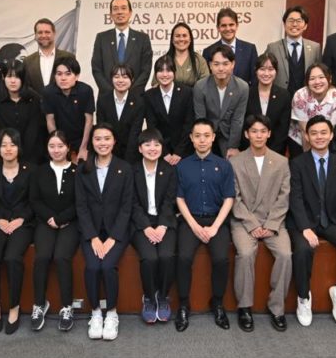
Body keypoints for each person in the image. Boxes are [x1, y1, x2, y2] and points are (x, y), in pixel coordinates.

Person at [288, 115, 336, 327]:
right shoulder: (297, 163)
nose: (319, 137)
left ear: (331, 136)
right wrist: (305, 228)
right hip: (304, 222)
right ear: (306, 136)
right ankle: (303, 297)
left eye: (323, 132)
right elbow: (295, 199)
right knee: (303, 249)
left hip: (331, 222)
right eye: (314, 133)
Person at [230, 115, 293, 332]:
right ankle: (244, 307)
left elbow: (284, 197)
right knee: (246, 253)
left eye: (263, 131)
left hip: (274, 221)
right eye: (254, 131)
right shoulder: (235, 162)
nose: (258, 135)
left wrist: (271, 224)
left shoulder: (281, 161)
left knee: (285, 254)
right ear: (246, 134)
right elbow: (234, 198)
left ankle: (277, 307)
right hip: (244, 221)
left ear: (269, 134)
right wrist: (252, 224)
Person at [174, 118, 236, 331]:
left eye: (206, 136)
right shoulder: (182, 166)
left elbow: (229, 198)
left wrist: (215, 227)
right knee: (183, 258)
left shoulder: (224, 165)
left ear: (213, 138)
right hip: (190, 220)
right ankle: (183, 304)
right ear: (191, 138)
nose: (202, 140)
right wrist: (193, 225)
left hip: (216, 220)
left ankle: (217, 303)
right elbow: (179, 198)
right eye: (198, 136)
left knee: (221, 259)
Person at [76, 123, 134, 341]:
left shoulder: (124, 168)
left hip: (116, 230)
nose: (102, 143)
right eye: (98, 139)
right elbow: (81, 206)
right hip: (90, 230)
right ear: (91, 142)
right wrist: (92, 237)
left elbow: (127, 207)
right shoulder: (83, 169)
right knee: (92, 267)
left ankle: (111, 312)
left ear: (114, 141)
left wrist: (112, 238)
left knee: (108, 266)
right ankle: (95, 312)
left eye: (107, 138)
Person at [0, 129, 35, 335]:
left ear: (18, 147)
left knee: (13, 258)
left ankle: (14, 306)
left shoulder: (31, 170)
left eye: (12, 144)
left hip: (23, 224)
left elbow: (35, 201)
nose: (8, 149)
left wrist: (21, 219)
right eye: (4, 145)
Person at [28, 131, 81, 332]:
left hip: (71, 223)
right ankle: (39, 304)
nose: (56, 150)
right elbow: (34, 200)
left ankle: (67, 307)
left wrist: (61, 219)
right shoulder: (39, 171)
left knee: (61, 257)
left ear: (68, 148)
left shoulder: (78, 171)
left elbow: (81, 201)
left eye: (60, 146)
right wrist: (50, 218)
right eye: (52, 146)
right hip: (45, 222)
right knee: (42, 257)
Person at [130, 128, 178, 324]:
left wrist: (162, 226)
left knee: (166, 256)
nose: (152, 148)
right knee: (149, 258)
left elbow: (170, 201)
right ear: (140, 148)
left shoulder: (170, 170)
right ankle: (149, 297)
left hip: (164, 222)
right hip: (141, 223)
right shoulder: (131, 170)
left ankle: (163, 296)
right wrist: (146, 227)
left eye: (157, 144)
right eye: (147, 144)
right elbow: (132, 203)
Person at [193, 44, 249, 159]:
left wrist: (233, 146)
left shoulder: (242, 87)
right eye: (216, 64)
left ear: (233, 64)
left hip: (228, 135)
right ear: (210, 65)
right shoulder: (200, 86)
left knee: (232, 163)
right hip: (206, 135)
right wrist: (203, 143)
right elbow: (200, 119)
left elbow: (237, 120)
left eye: (225, 64)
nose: (221, 68)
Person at [92, 0, 153, 92]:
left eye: (123, 8)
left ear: (130, 12)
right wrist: (112, 92)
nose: (119, 12)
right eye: (115, 9)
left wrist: (131, 92)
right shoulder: (102, 38)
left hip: (135, 96)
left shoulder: (142, 39)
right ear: (111, 14)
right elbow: (97, 69)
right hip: (108, 96)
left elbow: (146, 70)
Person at [41, 56, 95, 161]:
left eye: (68, 74)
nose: (63, 78)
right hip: (60, 139)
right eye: (59, 74)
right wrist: (58, 146)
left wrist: (83, 147)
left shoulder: (85, 91)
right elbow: (50, 121)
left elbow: (89, 121)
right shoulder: (48, 92)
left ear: (77, 76)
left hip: (82, 139)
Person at [143, 56, 194, 165]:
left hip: (184, 151)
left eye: (169, 70)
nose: (165, 74)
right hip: (160, 152)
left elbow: (189, 124)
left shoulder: (187, 92)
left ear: (174, 72)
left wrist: (179, 152)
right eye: (160, 71)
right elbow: (152, 126)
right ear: (155, 73)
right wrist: (164, 152)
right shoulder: (149, 95)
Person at [0, 59, 43, 164]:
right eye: (9, 76)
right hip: (8, 150)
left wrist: (24, 158)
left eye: (17, 77)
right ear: (3, 77)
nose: (13, 81)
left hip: (32, 151)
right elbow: (3, 128)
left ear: (23, 78)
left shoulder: (34, 98)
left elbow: (33, 131)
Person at [289, 63, 336, 158]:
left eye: (321, 77)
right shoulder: (300, 95)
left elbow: (330, 128)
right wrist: (309, 160)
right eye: (312, 79)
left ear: (329, 79)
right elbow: (304, 130)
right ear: (307, 82)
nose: (317, 82)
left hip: (324, 138)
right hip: (300, 139)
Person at [263, 5, 321, 92]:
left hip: (307, 95)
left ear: (305, 26)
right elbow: (263, 70)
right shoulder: (273, 47)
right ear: (284, 24)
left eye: (299, 21)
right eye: (291, 21)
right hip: (280, 95)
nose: (294, 24)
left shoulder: (315, 48)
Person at [242, 53, 291, 155]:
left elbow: (283, 129)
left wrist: (271, 153)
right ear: (256, 71)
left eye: (270, 69)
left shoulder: (284, 95)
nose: (266, 73)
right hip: (249, 150)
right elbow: (242, 124)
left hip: (276, 152)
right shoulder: (247, 93)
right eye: (262, 69)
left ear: (276, 71)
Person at [96, 63, 145, 163]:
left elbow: (135, 133)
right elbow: (102, 128)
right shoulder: (103, 100)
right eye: (116, 76)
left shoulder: (139, 102)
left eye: (125, 77)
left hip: (131, 154)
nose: (120, 80)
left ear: (132, 79)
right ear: (111, 79)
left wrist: (127, 162)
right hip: (107, 152)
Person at [202, 7, 258, 84]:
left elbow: (255, 80)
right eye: (223, 25)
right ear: (218, 28)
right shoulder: (208, 51)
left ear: (237, 26)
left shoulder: (249, 49)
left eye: (231, 25)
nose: (228, 29)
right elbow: (206, 82)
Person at [22, 18, 75, 97]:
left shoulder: (68, 57)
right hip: (36, 105)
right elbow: (26, 88)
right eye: (40, 32)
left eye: (47, 32)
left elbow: (73, 86)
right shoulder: (27, 61)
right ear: (35, 35)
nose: (43, 35)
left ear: (54, 34)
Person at [153, 22, 208, 88]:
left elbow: (205, 85)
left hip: (194, 94)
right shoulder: (164, 60)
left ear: (190, 39)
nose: (181, 39)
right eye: (177, 36)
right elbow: (155, 85)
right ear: (172, 40)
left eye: (184, 36)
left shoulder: (199, 60)